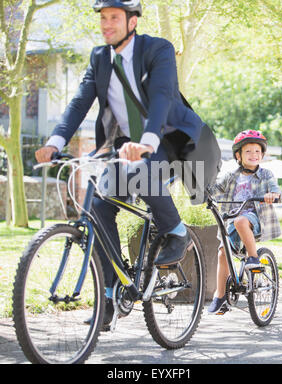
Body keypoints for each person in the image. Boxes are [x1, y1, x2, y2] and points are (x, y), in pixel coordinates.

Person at [35, 0, 205, 328]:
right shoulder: (100, 58)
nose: (106, 24)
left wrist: (148, 142)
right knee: (97, 207)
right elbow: (79, 102)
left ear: (132, 21)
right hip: (125, 147)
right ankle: (112, 295)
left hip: (169, 141)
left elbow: (160, 97)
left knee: (144, 171)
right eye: (102, 18)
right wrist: (54, 142)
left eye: (114, 17)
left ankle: (177, 231)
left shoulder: (159, 50)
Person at [207, 130, 281, 314]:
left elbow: (274, 189)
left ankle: (253, 258)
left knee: (241, 221)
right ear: (238, 155)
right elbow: (216, 189)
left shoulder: (266, 174)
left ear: (262, 155)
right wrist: (204, 190)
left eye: (257, 151)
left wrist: (273, 195)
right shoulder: (231, 175)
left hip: (255, 217)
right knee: (223, 252)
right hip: (231, 219)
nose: (253, 155)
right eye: (248, 151)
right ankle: (220, 295)